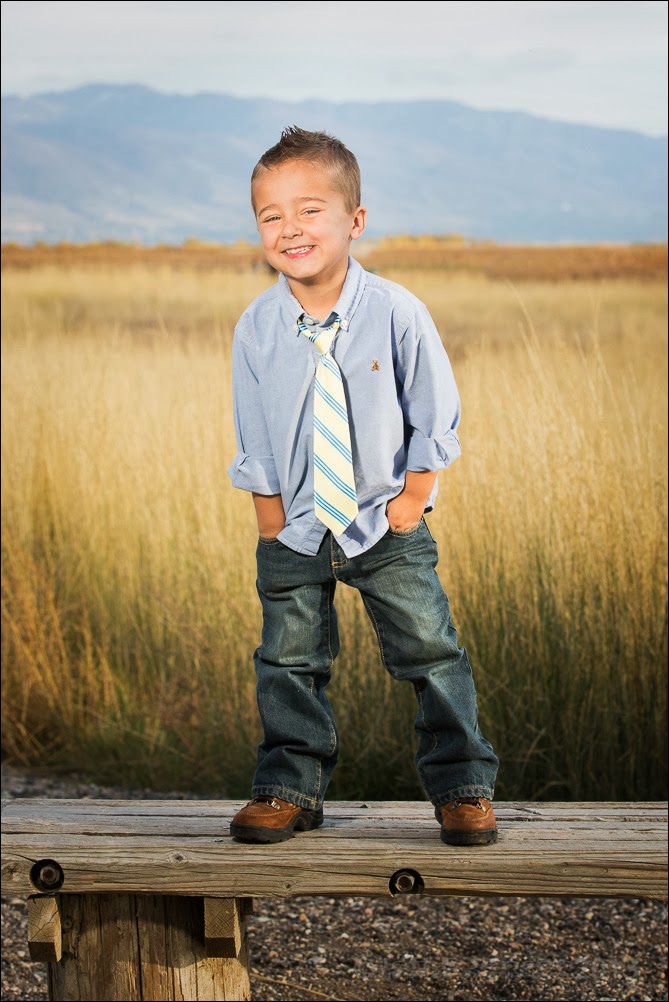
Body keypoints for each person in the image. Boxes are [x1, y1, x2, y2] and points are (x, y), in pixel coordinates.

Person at [227, 126, 499, 847]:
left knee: (430, 651)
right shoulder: (257, 327)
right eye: (271, 215)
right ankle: (288, 788)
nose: (290, 228)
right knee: (287, 662)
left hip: (384, 521)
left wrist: (413, 499)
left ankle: (463, 788)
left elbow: (433, 412)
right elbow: (253, 431)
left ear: (355, 220)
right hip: (295, 529)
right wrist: (268, 517)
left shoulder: (395, 311)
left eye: (309, 210)